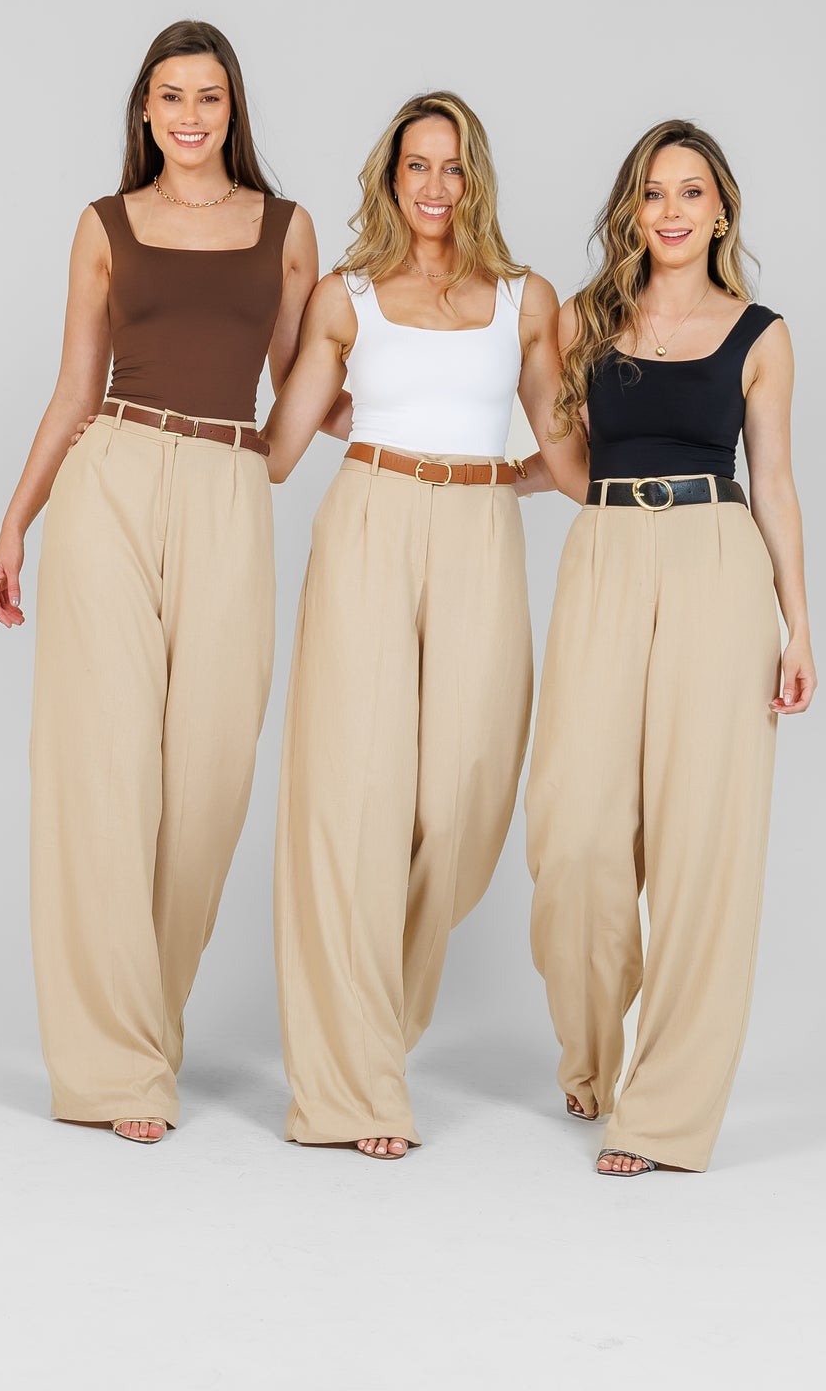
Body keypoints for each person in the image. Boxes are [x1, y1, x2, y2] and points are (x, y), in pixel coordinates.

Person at [0, 20, 316, 1145]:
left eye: (209, 97)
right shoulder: (105, 226)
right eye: (171, 95)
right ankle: (113, 1067)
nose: (190, 116)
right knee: (104, 768)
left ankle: (145, 1021)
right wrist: (15, 524)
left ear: (234, 109)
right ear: (144, 109)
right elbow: (72, 389)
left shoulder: (286, 230)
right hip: (111, 478)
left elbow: (299, 381)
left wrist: (410, 395)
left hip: (229, 481)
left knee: (210, 776)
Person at [257, 91, 573, 1160]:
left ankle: (370, 1027)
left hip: (480, 525)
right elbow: (280, 447)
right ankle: (357, 1083)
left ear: (475, 178)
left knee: (463, 792)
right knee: (355, 801)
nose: (434, 187)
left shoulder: (527, 300)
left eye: (452, 167)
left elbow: (570, 457)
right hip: (369, 518)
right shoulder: (345, 298)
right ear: (390, 180)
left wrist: (518, 477)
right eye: (416, 167)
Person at [524, 119, 815, 1176]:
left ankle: (663, 1114)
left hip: (718, 562)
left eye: (692, 192)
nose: (673, 210)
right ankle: (594, 1053)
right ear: (632, 211)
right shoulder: (584, 319)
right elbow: (559, 453)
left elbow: (773, 484)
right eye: (654, 193)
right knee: (576, 833)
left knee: (705, 844)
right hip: (605, 549)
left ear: (721, 209)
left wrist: (797, 624)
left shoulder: (761, 335)